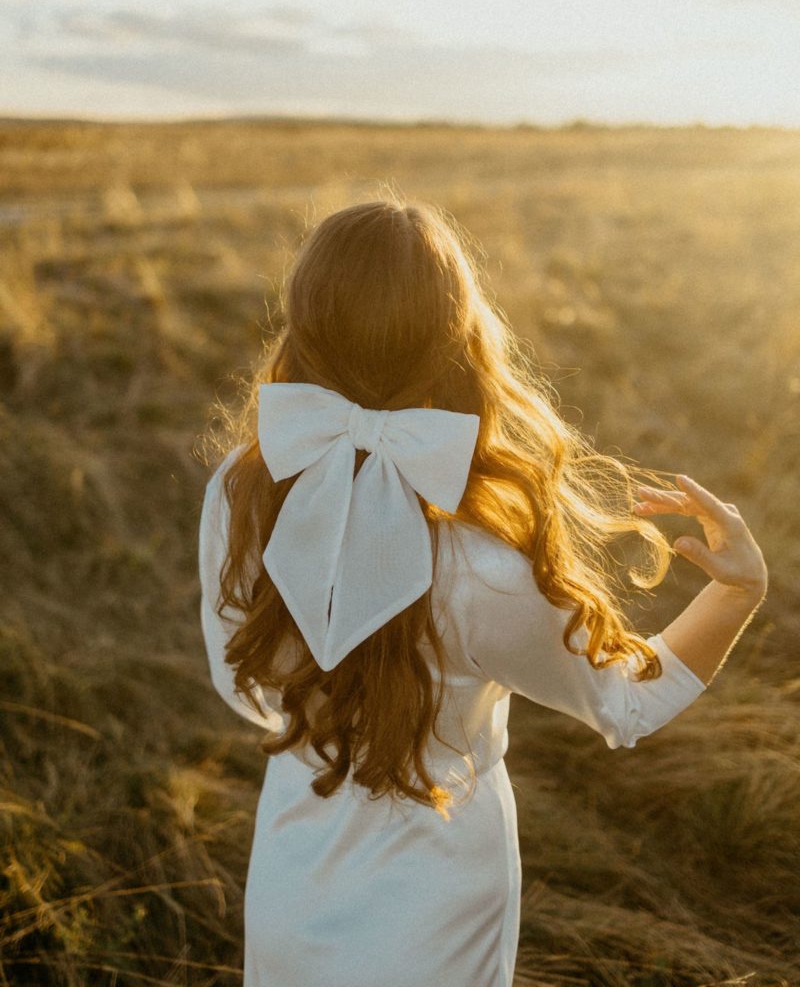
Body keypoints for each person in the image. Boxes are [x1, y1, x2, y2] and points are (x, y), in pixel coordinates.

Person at [197, 195, 768, 987]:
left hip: (292, 882)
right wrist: (738, 592)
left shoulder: (241, 490)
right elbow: (627, 706)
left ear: (302, 330)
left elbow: (243, 686)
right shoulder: (483, 567)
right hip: (436, 911)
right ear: (459, 344)